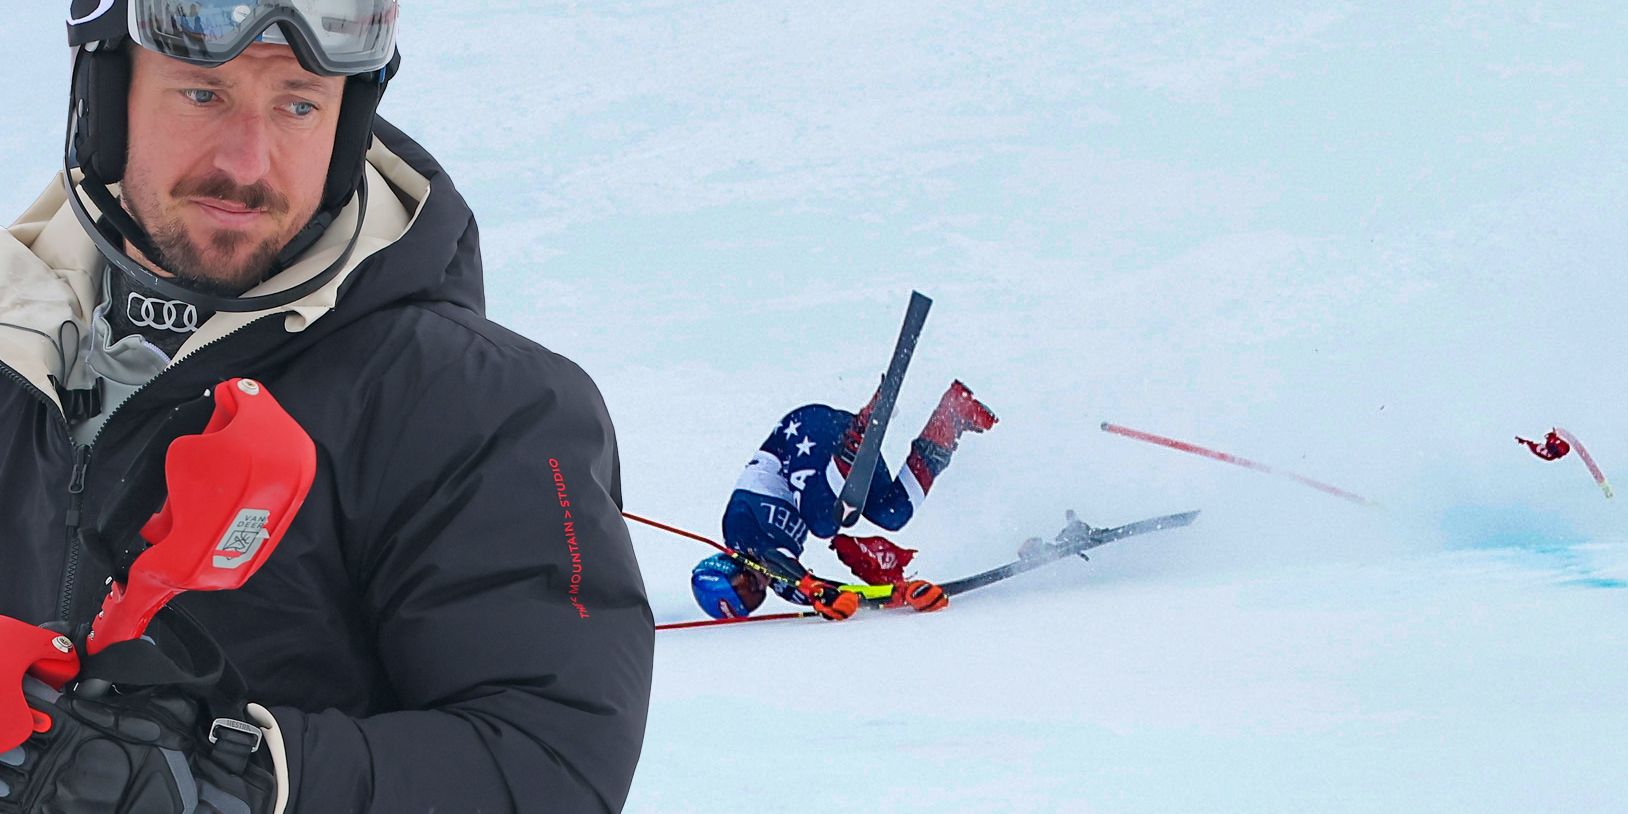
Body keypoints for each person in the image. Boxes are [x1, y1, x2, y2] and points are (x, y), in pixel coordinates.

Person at [0, 2, 653, 811]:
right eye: (203, 94)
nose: (249, 161)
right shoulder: (14, 358)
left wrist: (238, 780)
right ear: (102, 99)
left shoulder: (482, 409)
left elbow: (553, 764)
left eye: (299, 104)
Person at [691, 380, 997, 621]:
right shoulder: (786, 584)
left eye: (742, 586)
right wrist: (900, 593)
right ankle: (951, 417)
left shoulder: (738, 528)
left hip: (806, 433)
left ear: (728, 565)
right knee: (894, 513)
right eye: (752, 601)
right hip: (832, 467)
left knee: (823, 521)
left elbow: (774, 557)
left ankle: (860, 434)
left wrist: (813, 589)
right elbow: (840, 592)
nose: (757, 587)